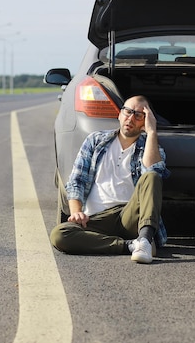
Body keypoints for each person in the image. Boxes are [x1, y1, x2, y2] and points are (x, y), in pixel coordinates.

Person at [50, 95, 170, 264]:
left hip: (130, 216)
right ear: (119, 115)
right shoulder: (96, 140)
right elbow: (77, 180)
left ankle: (144, 239)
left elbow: (154, 171)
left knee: (152, 176)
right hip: (96, 218)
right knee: (59, 235)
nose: (131, 118)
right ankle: (129, 246)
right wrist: (76, 212)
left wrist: (151, 132)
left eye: (138, 115)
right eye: (128, 112)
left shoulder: (150, 147)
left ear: (146, 120)